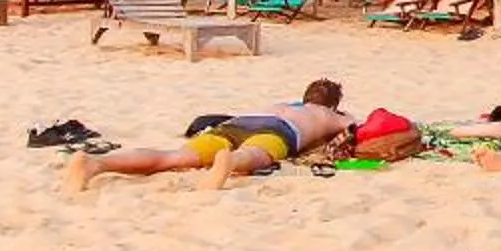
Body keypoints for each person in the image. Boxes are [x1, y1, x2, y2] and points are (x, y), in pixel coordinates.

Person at [64, 79, 356, 192]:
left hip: (239, 122)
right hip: (278, 132)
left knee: (173, 157)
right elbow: (365, 126)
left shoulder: (280, 103)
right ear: (331, 103)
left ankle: (97, 164)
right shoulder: (329, 115)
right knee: (256, 154)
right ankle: (230, 162)